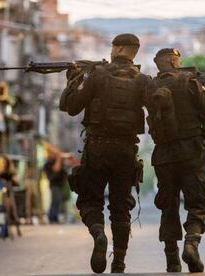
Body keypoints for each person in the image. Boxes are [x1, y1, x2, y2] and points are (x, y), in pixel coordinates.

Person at [60, 33, 151, 273]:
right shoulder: (142, 80)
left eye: (113, 48)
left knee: (90, 199)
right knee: (121, 208)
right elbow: (159, 110)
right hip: (126, 151)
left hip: (98, 147)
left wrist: (73, 80)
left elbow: (71, 107)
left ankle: (98, 233)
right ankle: (119, 261)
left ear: (119, 49)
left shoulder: (97, 76)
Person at [146, 48, 205, 273]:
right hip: (191, 151)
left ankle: (172, 259)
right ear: (174, 61)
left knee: (168, 205)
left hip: (163, 155)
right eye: (178, 60)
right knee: (197, 201)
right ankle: (191, 244)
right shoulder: (189, 82)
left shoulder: (151, 87)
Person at [0, 154, 21, 237]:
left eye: (4, 161)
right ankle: (4, 230)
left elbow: (16, 181)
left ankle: (14, 229)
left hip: (9, 192)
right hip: (0, 193)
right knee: (2, 210)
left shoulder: (11, 171)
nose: (3, 163)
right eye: (1, 161)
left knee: (10, 211)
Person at [43, 150, 68, 224]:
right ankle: (52, 218)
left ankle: (55, 217)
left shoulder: (60, 161)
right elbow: (56, 170)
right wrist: (59, 159)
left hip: (60, 184)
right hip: (54, 184)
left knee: (58, 201)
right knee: (55, 201)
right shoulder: (50, 162)